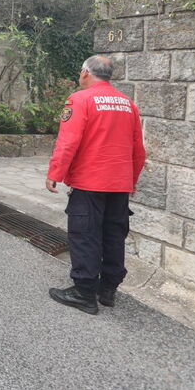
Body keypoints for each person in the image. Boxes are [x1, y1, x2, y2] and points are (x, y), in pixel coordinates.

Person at [45, 55, 146, 315]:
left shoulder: (80, 100)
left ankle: (84, 293)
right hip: (119, 184)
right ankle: (108, 290)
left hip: (90, 182)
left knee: (85, 234)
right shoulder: (128, 104)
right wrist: (131, 181)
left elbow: (68, 142)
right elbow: (138, 150)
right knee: (114, 235)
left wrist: (55, 172)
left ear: (85, 73)